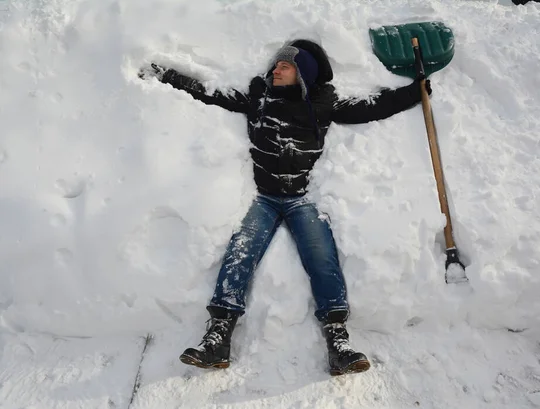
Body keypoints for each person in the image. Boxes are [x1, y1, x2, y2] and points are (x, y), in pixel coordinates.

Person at [138, 39, 431, 376]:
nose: (275, 69)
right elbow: (211, 92)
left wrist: (414, 92)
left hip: (301, 199)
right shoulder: (258, 98)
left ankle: (338, 340)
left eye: (285, 66)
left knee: (321, 257)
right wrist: (168, 76)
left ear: (303, 73)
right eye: (276, 65)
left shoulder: (323, 103)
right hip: (263, 198)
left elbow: (371, 107)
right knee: (240, 251)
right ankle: (218, 335)